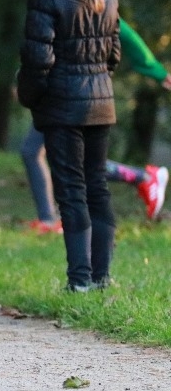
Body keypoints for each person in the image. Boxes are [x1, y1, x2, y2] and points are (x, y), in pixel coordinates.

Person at [17, 0, 120, 293]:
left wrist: (30, 95)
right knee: (98, 186)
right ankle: (101, 278)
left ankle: (79, 281)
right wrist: (98, 82)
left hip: (62, 108)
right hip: (101, 104)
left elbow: (37, 60)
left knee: (72, 191)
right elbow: (113, 54)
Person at [22, 18, 170, 233]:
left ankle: (144, 177)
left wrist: (156, 71)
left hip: (73, 92)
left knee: (58, 157)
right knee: (41, 153)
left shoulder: (90, 2)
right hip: (59, 91)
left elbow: (126, 34)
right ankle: (49, 219)